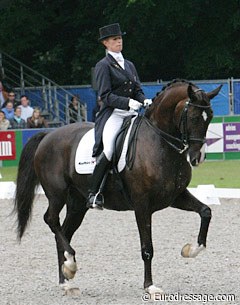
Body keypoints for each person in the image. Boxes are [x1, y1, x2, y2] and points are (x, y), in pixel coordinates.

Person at [86, 23, 152, 209]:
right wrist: (127, 102)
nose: (119, 41)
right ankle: (94, 193)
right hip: (113, 114)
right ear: (105, 43)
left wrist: (143, 100)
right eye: (115, 39)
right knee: (109, 150)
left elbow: (137, 89)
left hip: (131, 113)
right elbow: (105, 95)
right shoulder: (103, 65)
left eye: (120, 38)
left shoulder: (129, 64)